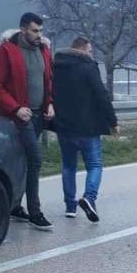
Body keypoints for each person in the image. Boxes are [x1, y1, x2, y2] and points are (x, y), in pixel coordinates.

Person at [0, 12, 55, 230]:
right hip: (17, 116)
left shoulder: (43, 50)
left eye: (41, 31)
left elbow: (48, 80)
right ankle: (35, 212)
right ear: (23, 29)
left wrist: (50, 103)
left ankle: (14, 205)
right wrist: (15, 108)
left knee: (21, 161)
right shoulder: (6, 51)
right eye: (35, 31)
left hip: (38, 116)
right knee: (35, 158)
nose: (39, 35)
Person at [52, 37, 119, 222]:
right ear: (82, 50)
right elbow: (101, 95)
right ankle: (89, 198)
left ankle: (70, 206)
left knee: (68, 166)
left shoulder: (56, 67)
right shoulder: (88, 67)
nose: (91, 54)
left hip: (64, 126)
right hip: (87, 127)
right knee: (95, 165)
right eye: (90, 51)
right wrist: (113, 121)